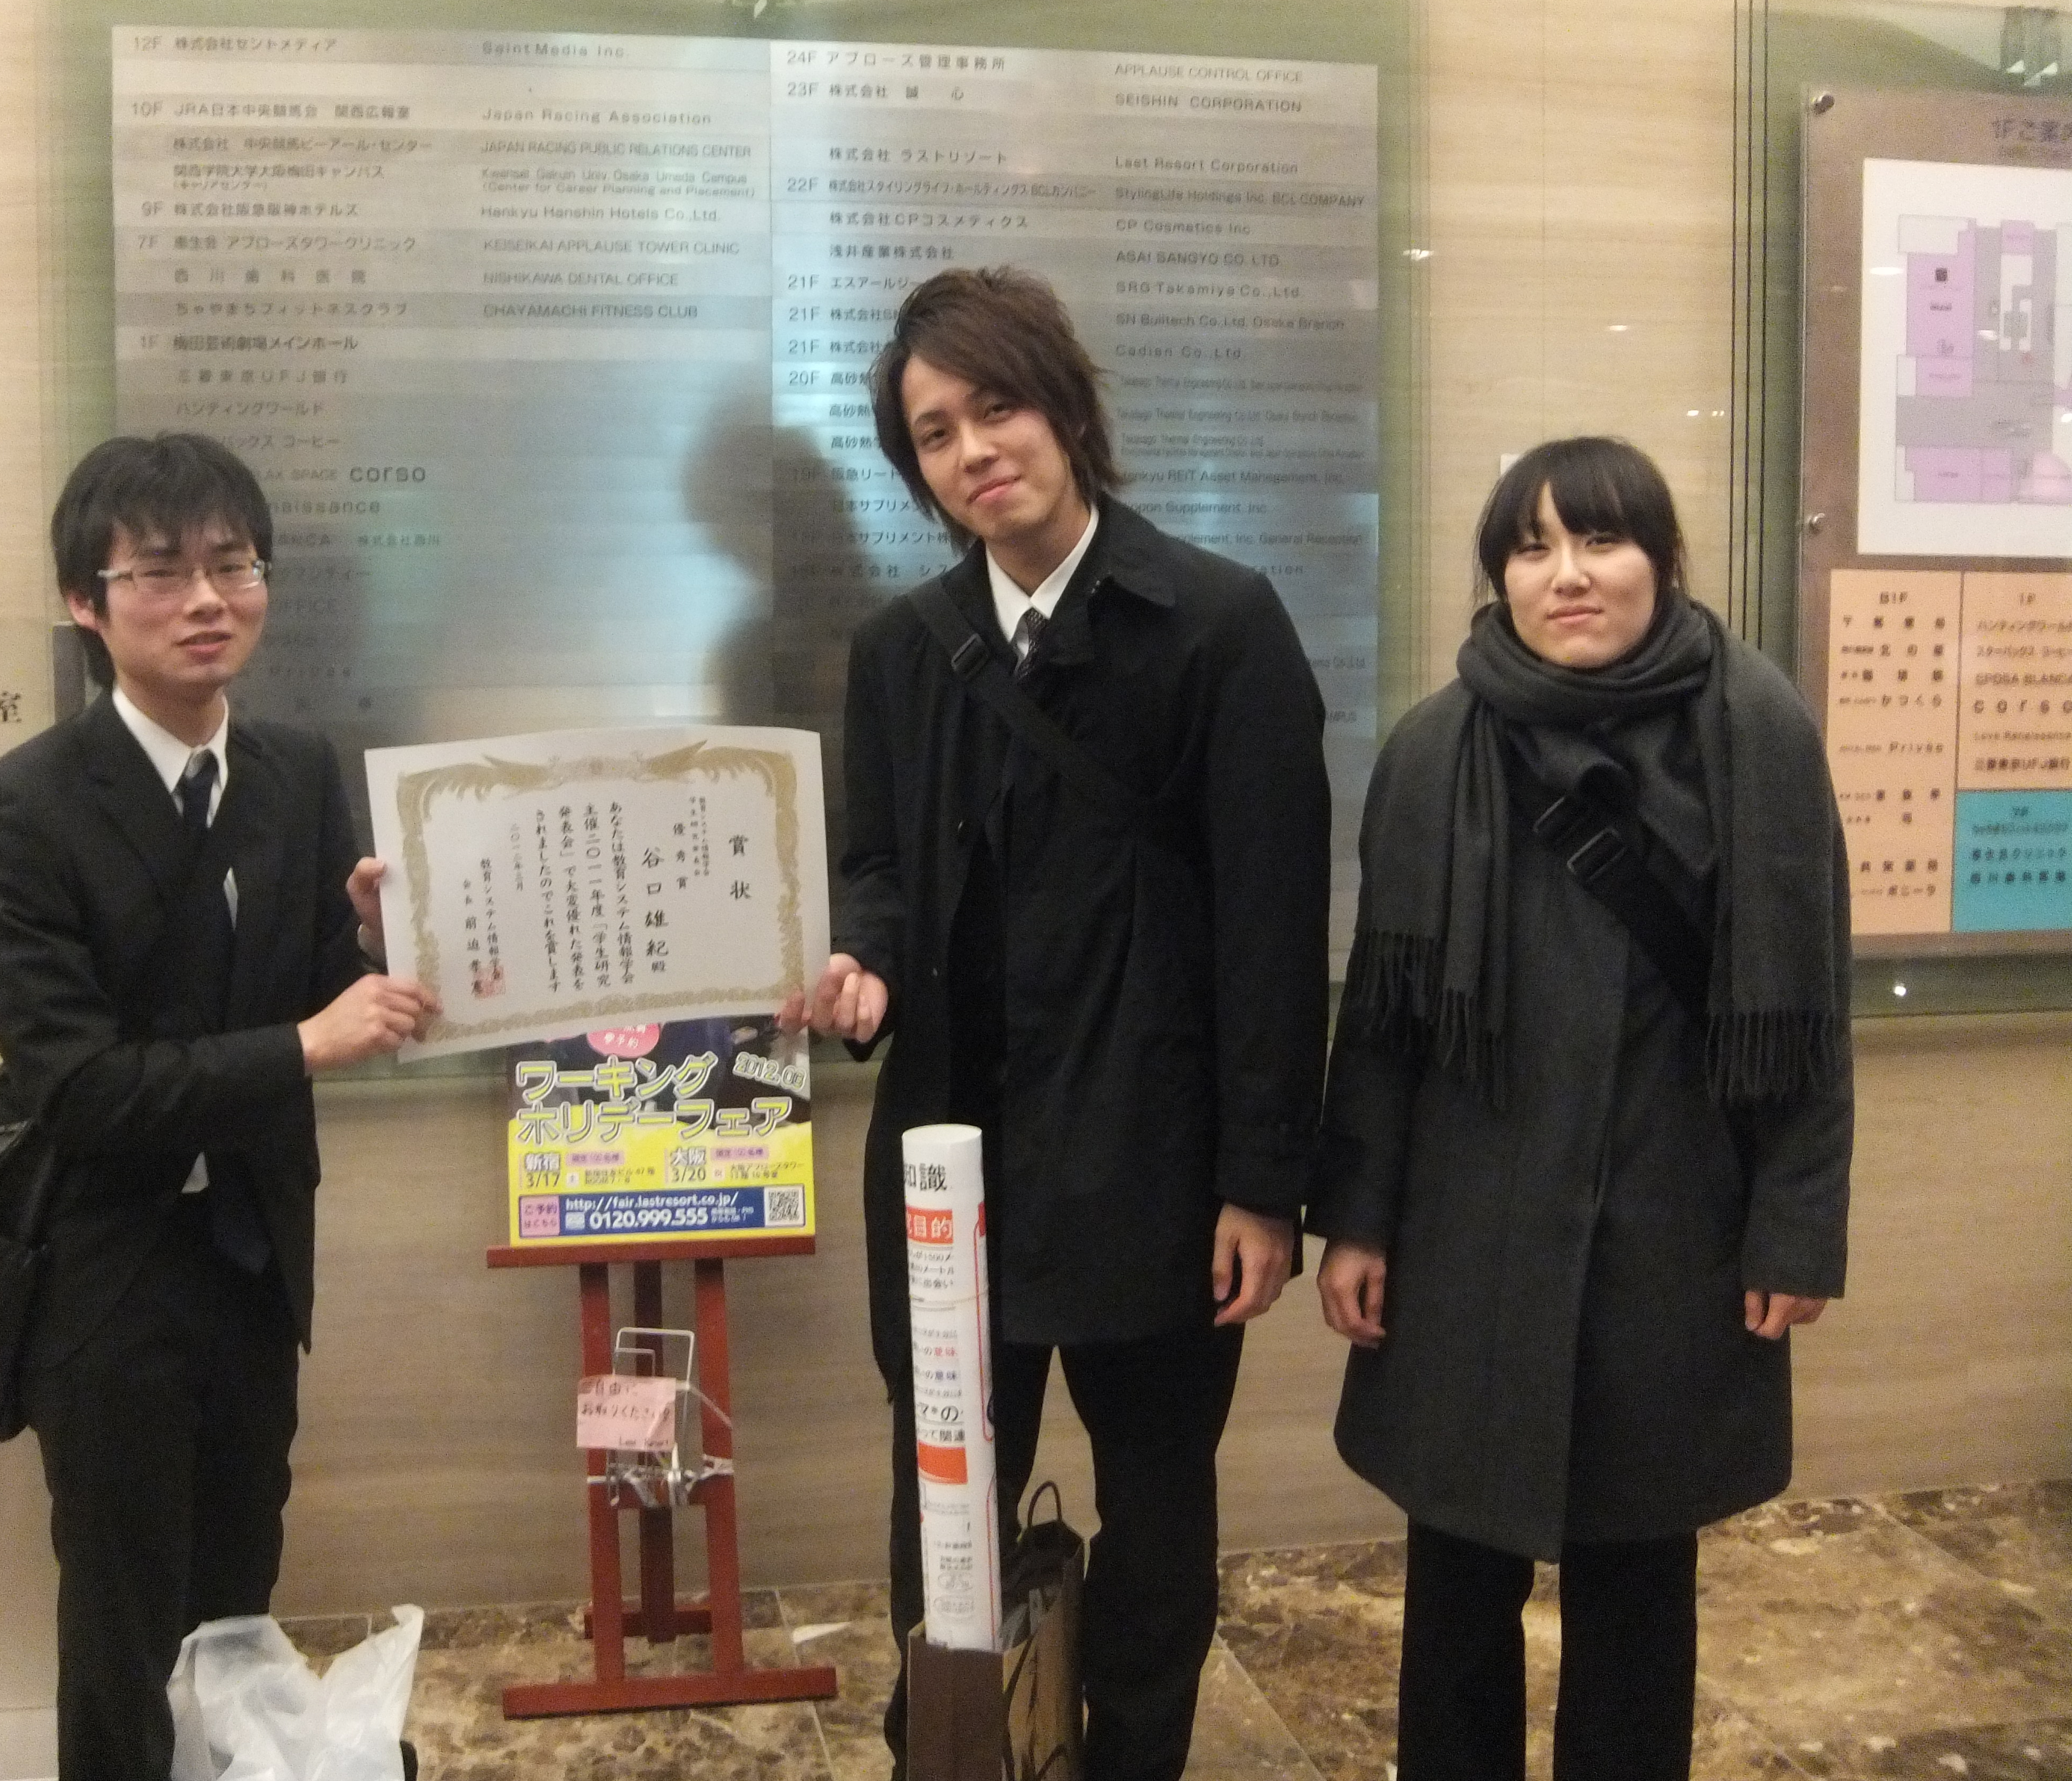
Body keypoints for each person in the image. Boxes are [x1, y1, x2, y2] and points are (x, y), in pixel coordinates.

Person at [786, 266, 1332, 1781]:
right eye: (934, 433)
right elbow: (879, 865)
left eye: (998, 407)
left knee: (1157, 1505)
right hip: (952, 1168)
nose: (974, 451)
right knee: (943, 1502)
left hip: (1158, 1169)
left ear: (1067, 406)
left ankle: (1137, 1755)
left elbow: (1277, 934)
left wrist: (1263, 1186)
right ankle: (954, 1755)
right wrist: (867, 961)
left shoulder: (1219, 625)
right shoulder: (904, 650)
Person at [1308, 437, 1853, 1780]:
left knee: (1638, 1583)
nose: (1568, 573)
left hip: (1670, 1221)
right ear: (1498, 574)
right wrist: (1358, 1220)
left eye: (1602, 540)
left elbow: (1807, 1004)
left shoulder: (1757, 734)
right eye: (1532, 545)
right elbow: (1382, 1020)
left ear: (1663, 562)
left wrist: (1795, 1223)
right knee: (1456, 1576)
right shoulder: (1437, 748)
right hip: (1469, 1227)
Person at [0, 433, 437, 1781]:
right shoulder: (15, 814)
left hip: (253, 1257)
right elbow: (79, 1087)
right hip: (103, 1272)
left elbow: (316, 991)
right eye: (160, 572)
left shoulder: (295, 769)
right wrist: (307, 1041)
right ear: (85, 602)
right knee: (123, 1620)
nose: (208, 599)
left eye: (235, 564)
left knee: (236, 1603)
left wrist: (371, 948)